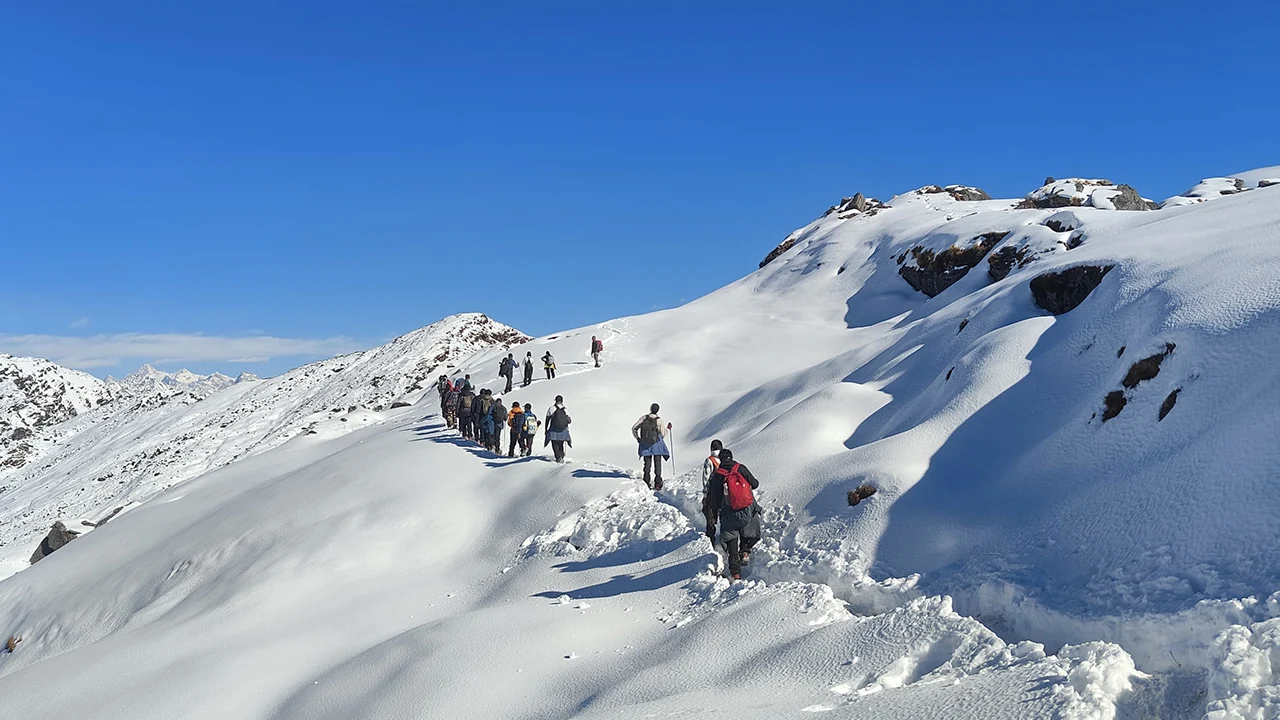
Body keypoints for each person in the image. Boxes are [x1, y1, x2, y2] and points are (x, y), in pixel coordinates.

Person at [708, 448, 762, 581]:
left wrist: (714, 515)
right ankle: (745, 551)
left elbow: (714, 499)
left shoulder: (718, 475)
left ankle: (735, 573)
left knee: (731, 539)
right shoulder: (740, 468)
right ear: (731, 458)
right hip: (746, 510)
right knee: (748, 529)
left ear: (720, 459)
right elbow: (755, 484)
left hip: (728, 513)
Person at [631, 403, 670, 491]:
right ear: (658, 410)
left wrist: (638, 438)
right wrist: (667, 430)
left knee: (647, 464)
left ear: (650, 408)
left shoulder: (644, 418)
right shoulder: (659, 420)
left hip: (645, 445)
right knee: (658, 464)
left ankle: (646, 482)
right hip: (657, 445)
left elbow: (633, 428)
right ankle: (658, 483)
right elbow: (663, 434)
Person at [700, 440, 724, 541]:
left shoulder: (709, 460)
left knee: (710, 514)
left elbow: (706, 479)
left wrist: (705, 495)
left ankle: (711, 537)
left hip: (712, 493)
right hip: (723, 493)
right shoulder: (724, 460)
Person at [544, 395, 572, 463]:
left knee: (554, 443)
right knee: (561, 443)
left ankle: (558, 457)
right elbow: (569, 421)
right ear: (562, 401)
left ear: (555, 400)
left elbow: (547, 419)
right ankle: (561, 456)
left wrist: (546, 429)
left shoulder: (551, 408)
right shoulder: (565, 409)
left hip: (553, 429)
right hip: (563, 430)